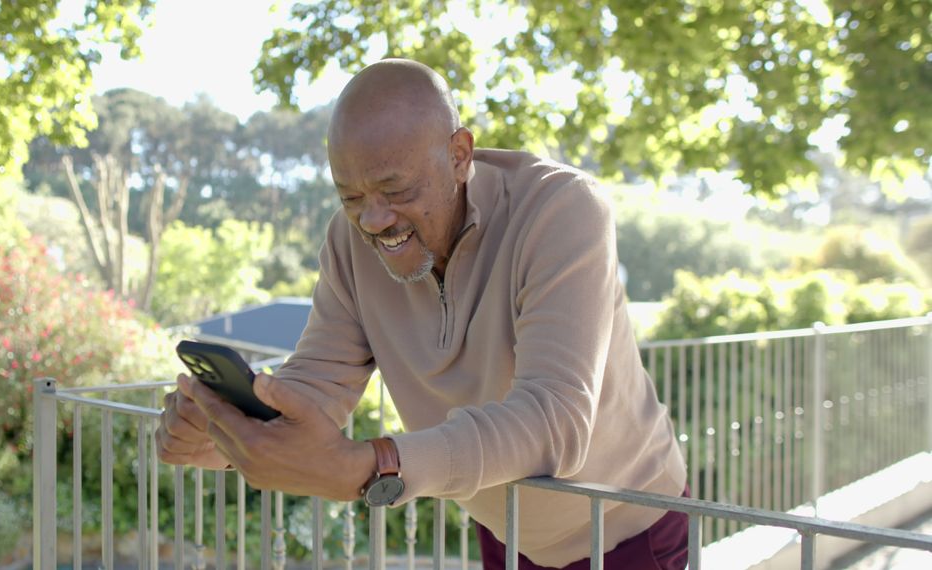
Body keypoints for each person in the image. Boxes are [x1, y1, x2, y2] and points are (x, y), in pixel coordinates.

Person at [156, 58, 689, 569]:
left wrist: (374, 466)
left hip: (625, 529)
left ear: (460, 154)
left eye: (396, 190)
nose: (373, 220)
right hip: (507, 527)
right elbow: (318, 382)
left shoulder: (564, 209)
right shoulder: (350, 241)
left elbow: (555, 421)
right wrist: (229, 432)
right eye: (350, 196)